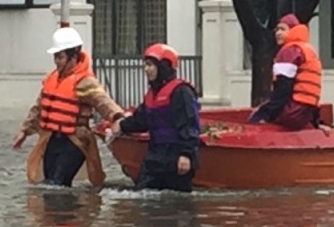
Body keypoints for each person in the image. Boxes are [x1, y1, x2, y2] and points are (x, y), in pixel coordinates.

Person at [13, 27, 127, 187]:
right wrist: (24, 131)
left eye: (60, 57)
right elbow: (38, 108)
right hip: (52, 139)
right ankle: (60, 211)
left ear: (73, 56)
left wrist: (118, 118)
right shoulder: (52, 79)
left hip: (75, 141)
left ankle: (69, 210)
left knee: (57, 183)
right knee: (48, 184)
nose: (57, 61)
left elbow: (103, 102)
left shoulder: (85, 82)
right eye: (55, 57)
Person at [113, 43, 201, 192]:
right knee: (142, 195)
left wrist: (186, 154)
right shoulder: (152, 94)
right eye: (145, 65)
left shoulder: (181, 92)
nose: (145, 69)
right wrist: (122, 125)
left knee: (178, 206)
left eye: (150, 65)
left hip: (176, 157)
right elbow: (141, 119)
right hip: (155, 156)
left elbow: (190, 125)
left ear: (163, 66)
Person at [248, 14, 323, 131]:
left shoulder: (289, 51)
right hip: (306, 112)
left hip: (293, 112)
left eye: (283, 29)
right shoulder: (308, 49)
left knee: (254, 119)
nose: (278, 33)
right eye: (277, 29)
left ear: (293, 30)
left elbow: (283, 89)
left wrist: (266, 114)